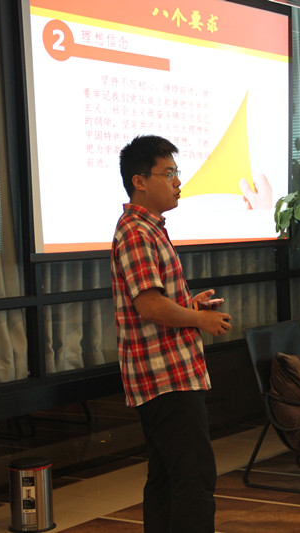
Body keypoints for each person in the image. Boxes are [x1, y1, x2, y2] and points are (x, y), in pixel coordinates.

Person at [111, 135, 232, 533]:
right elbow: (149, 306)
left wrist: (190, 305)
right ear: (140, 181)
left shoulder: (150, 228)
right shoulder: (137, 232)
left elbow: (156, 301)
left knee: (165, 477)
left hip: (168, 372)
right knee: (194, 477)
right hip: (165, 377)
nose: (178, 182)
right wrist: (198, 320)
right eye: (169, 173)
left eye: (176, 172)